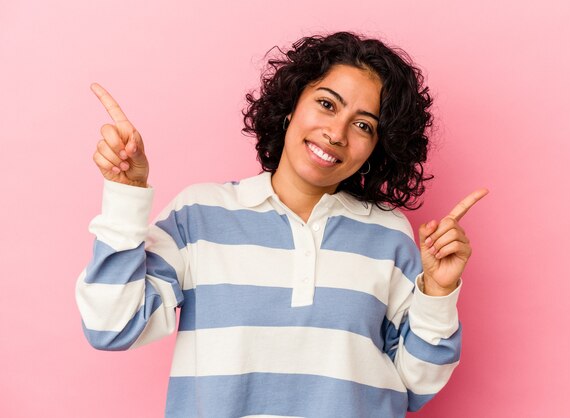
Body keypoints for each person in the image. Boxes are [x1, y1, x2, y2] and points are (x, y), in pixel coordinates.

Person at [75, 31, 488, 418]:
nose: (336, 133)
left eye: (364, 125)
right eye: (327, 104)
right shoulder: (199, 213)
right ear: (292, 106)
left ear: (379, 145)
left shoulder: (389, 235)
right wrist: (126, 197)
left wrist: (437, 292)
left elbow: (416, 383)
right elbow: (111, 326)